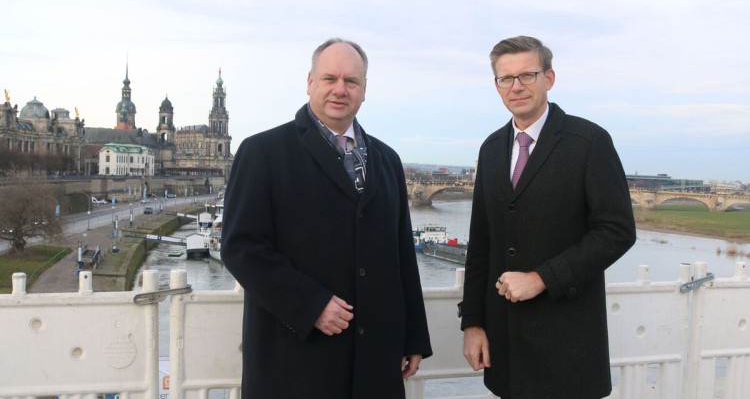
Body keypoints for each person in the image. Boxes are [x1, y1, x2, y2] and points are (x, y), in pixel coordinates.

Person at [221, 38, 432, 399]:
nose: (340, 89)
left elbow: (401, 254)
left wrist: (413, 336)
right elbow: (241, 247)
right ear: (310, 82)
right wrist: (311, 304)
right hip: (296, 356)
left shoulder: (387, 159)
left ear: (364, 90)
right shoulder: (262, 152)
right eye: (329, 78)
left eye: (351, 81)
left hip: (375, 359)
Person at [459, 35, 636, 399]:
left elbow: (617, 231)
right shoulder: (491, 149)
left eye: (528, 75)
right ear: (496, 86)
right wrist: (473, 323)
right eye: (506, 78)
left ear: (549, 79)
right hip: (506, 343)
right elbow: (482, 244)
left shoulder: (588, 141)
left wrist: (542, 278)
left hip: (567, 343)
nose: (517, 86)